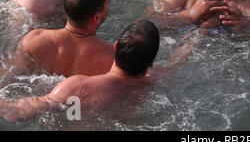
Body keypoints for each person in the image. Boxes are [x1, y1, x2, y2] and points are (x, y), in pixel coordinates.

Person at [0, 20, 165, 122]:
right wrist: (187, 47)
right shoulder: (155, 83)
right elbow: (175, 66)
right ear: (151, 62)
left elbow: (18, 112)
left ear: (115, 46)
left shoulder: (78, 88)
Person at [5, 0, 114, 78]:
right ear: (97, 18)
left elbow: (7, 75)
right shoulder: (111, 58)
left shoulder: (35, 40)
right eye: (108, 4)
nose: (109, 7)